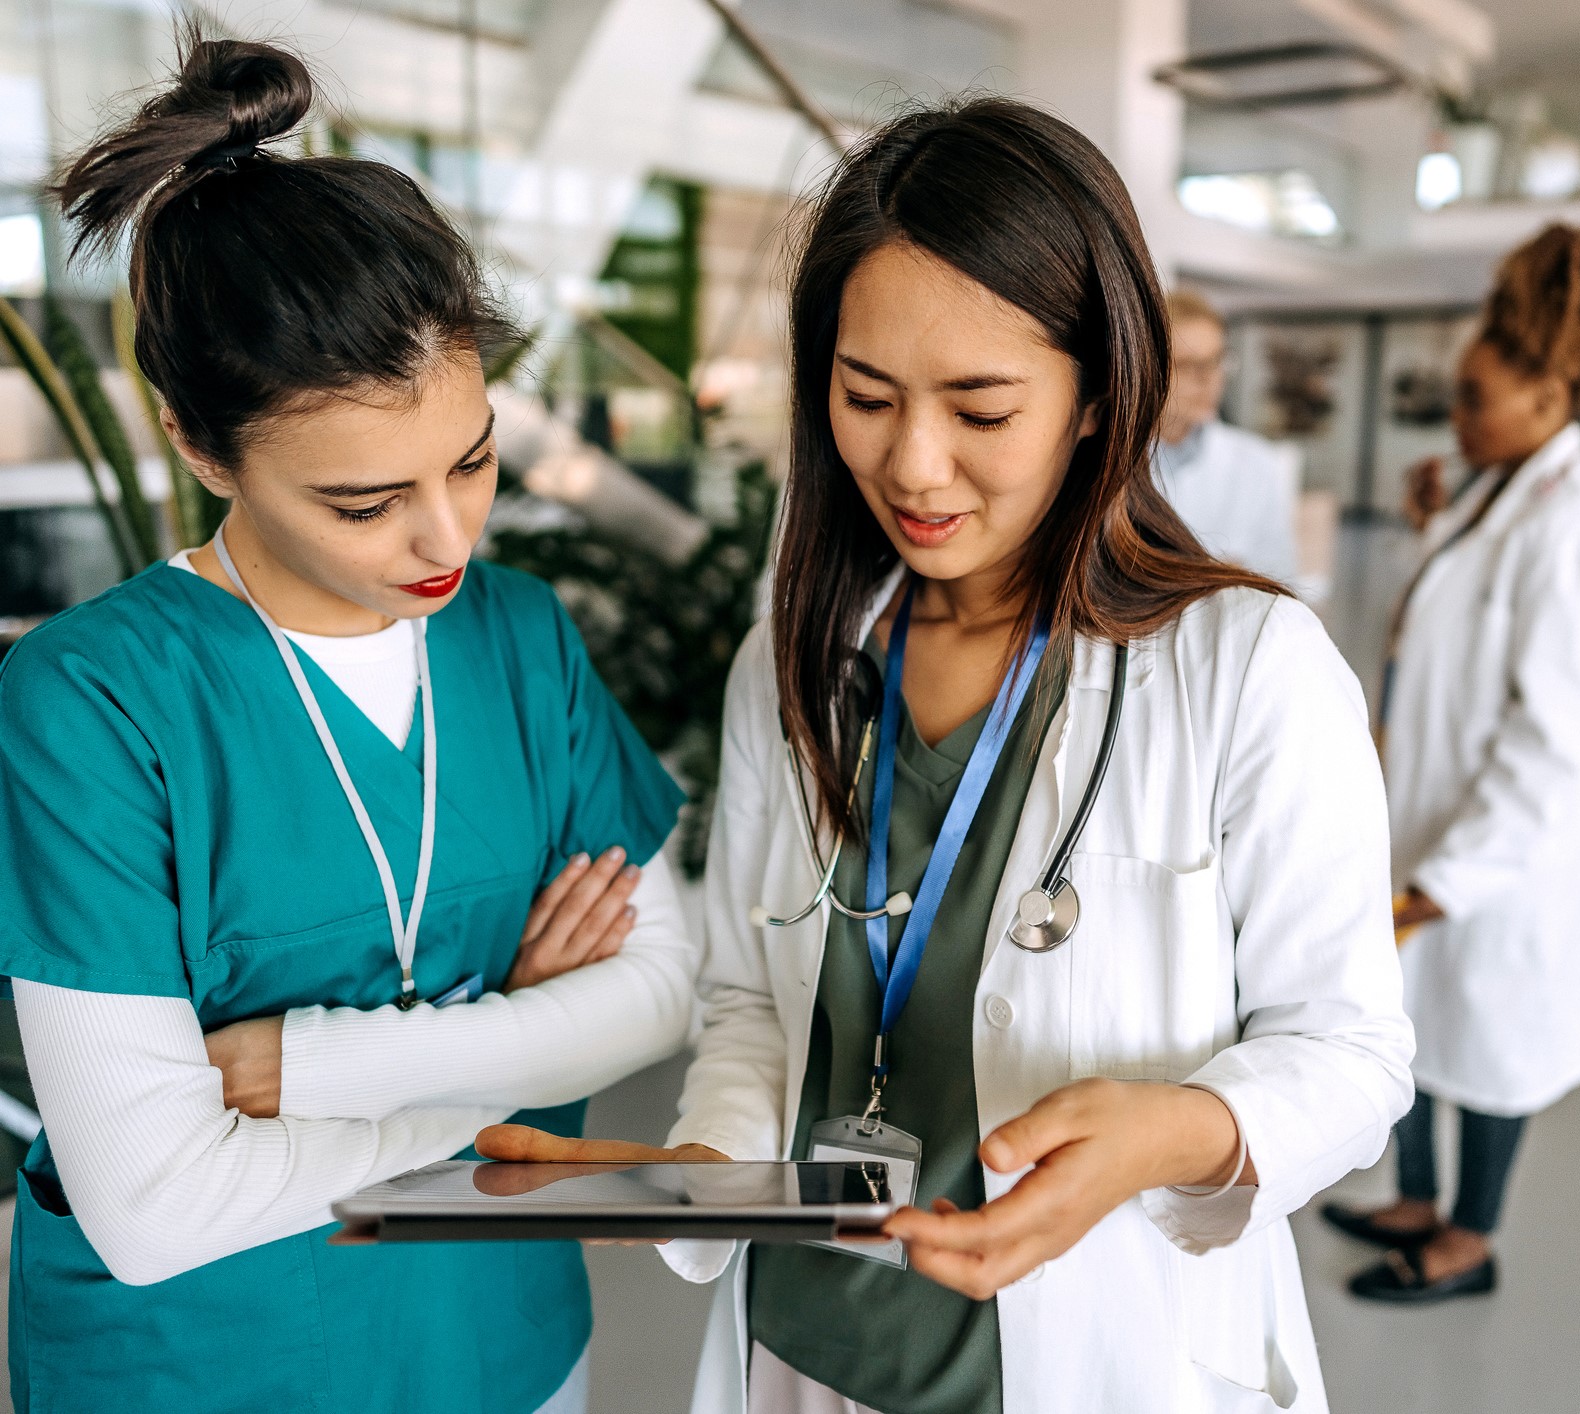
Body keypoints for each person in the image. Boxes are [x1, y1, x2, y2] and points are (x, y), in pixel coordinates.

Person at [480, 98, 1413, 1414]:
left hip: (1097, 1349)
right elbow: (757, 999)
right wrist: (706, 1162)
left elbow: (1352, 1052)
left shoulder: (1245, 667)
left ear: (1099, 394)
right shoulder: (796, 658)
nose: (912, 464)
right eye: (865, 397)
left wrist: (1175, 1131)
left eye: (981, 407)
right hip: (806, 1340)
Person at [0, 34, 701, 1413]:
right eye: (364, 502)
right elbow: (152, 1201)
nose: (447, 537)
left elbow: (661, 991)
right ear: (200, 446)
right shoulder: (88, 702)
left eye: (474, 456)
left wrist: (303, 1069)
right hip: (203, 1362)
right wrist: (520, 1032)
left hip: (504, 1336)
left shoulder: (517, 637)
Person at [1324, 223, 1580, 1305]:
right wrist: (1434, 522)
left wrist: (1443, 882)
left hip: (1505, 855)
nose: (1459, 417)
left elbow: (1557, 752)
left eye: (1476, 399)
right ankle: (1417, 1202)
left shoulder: (1575, 531)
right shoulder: (1494, 491)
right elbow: (1443, 638)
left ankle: (1467, 1241)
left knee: (1490, 1051)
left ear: (1548, 397)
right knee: (1423, 1027)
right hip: (1435, 813)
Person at [1150, 289, 1300, 581]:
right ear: (1149, 367)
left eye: (1216, 361)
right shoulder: (1103, 460)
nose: (1208, 380)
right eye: (1189, 365)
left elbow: (1280, 580)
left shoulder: (1258, 464)